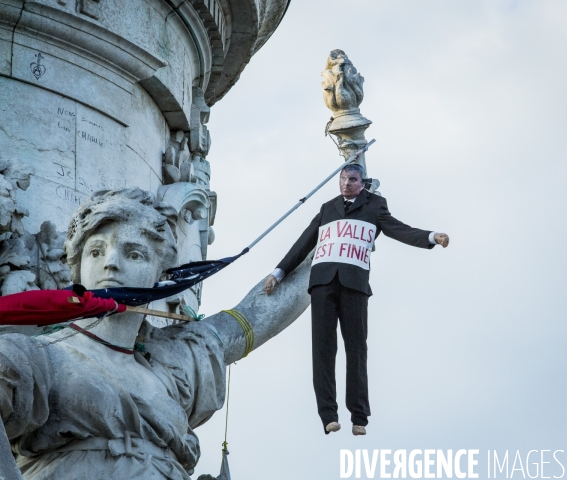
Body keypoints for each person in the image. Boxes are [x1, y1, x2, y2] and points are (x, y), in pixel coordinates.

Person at [0, 188, 312, 480]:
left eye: (134, 254)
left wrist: (342, 237)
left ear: (159, 273)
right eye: (96, 251)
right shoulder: (35, 357)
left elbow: (256, 318)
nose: (110, 264)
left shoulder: (175, 361)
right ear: (77, 266)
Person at [264, 164, 449, 436]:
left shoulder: (375, 206)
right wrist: (278, 273)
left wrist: (431, 237)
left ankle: (359, 416)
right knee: (323, 350)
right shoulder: (328, 208)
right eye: (343, 179)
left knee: (356, 349)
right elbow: (304, 242)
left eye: (352, 179)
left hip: (354, 285)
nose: (346, 184)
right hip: (323, 283)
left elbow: (399, 229)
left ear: (362, 183)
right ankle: (328, 415)